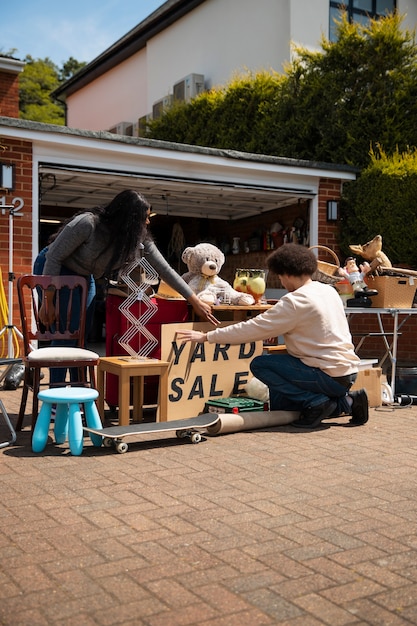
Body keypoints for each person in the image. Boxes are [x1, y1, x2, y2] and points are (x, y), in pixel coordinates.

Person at [177, 243, 369, 429]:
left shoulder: (295, 301)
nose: (282, 283)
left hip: (327, 376)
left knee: (261, 364)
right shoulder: (328, 290)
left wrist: (207, 337)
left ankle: (316, 402)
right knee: (282, 395)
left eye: (280, 278)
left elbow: (252, 329)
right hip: (348, 373)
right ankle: (350, 401)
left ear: (286, 273)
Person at [40, 189, 219, 384]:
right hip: (55, 268)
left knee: (81, 333)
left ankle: (76, 389)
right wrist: (47, 301)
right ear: (128, 218)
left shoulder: (137, 238)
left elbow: (165, 270)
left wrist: (194, 300)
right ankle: (55, 394)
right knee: (67, 332)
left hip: (84, 275)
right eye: (145, 218)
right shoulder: (87, 223)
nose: (148, 222)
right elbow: (54, 256)